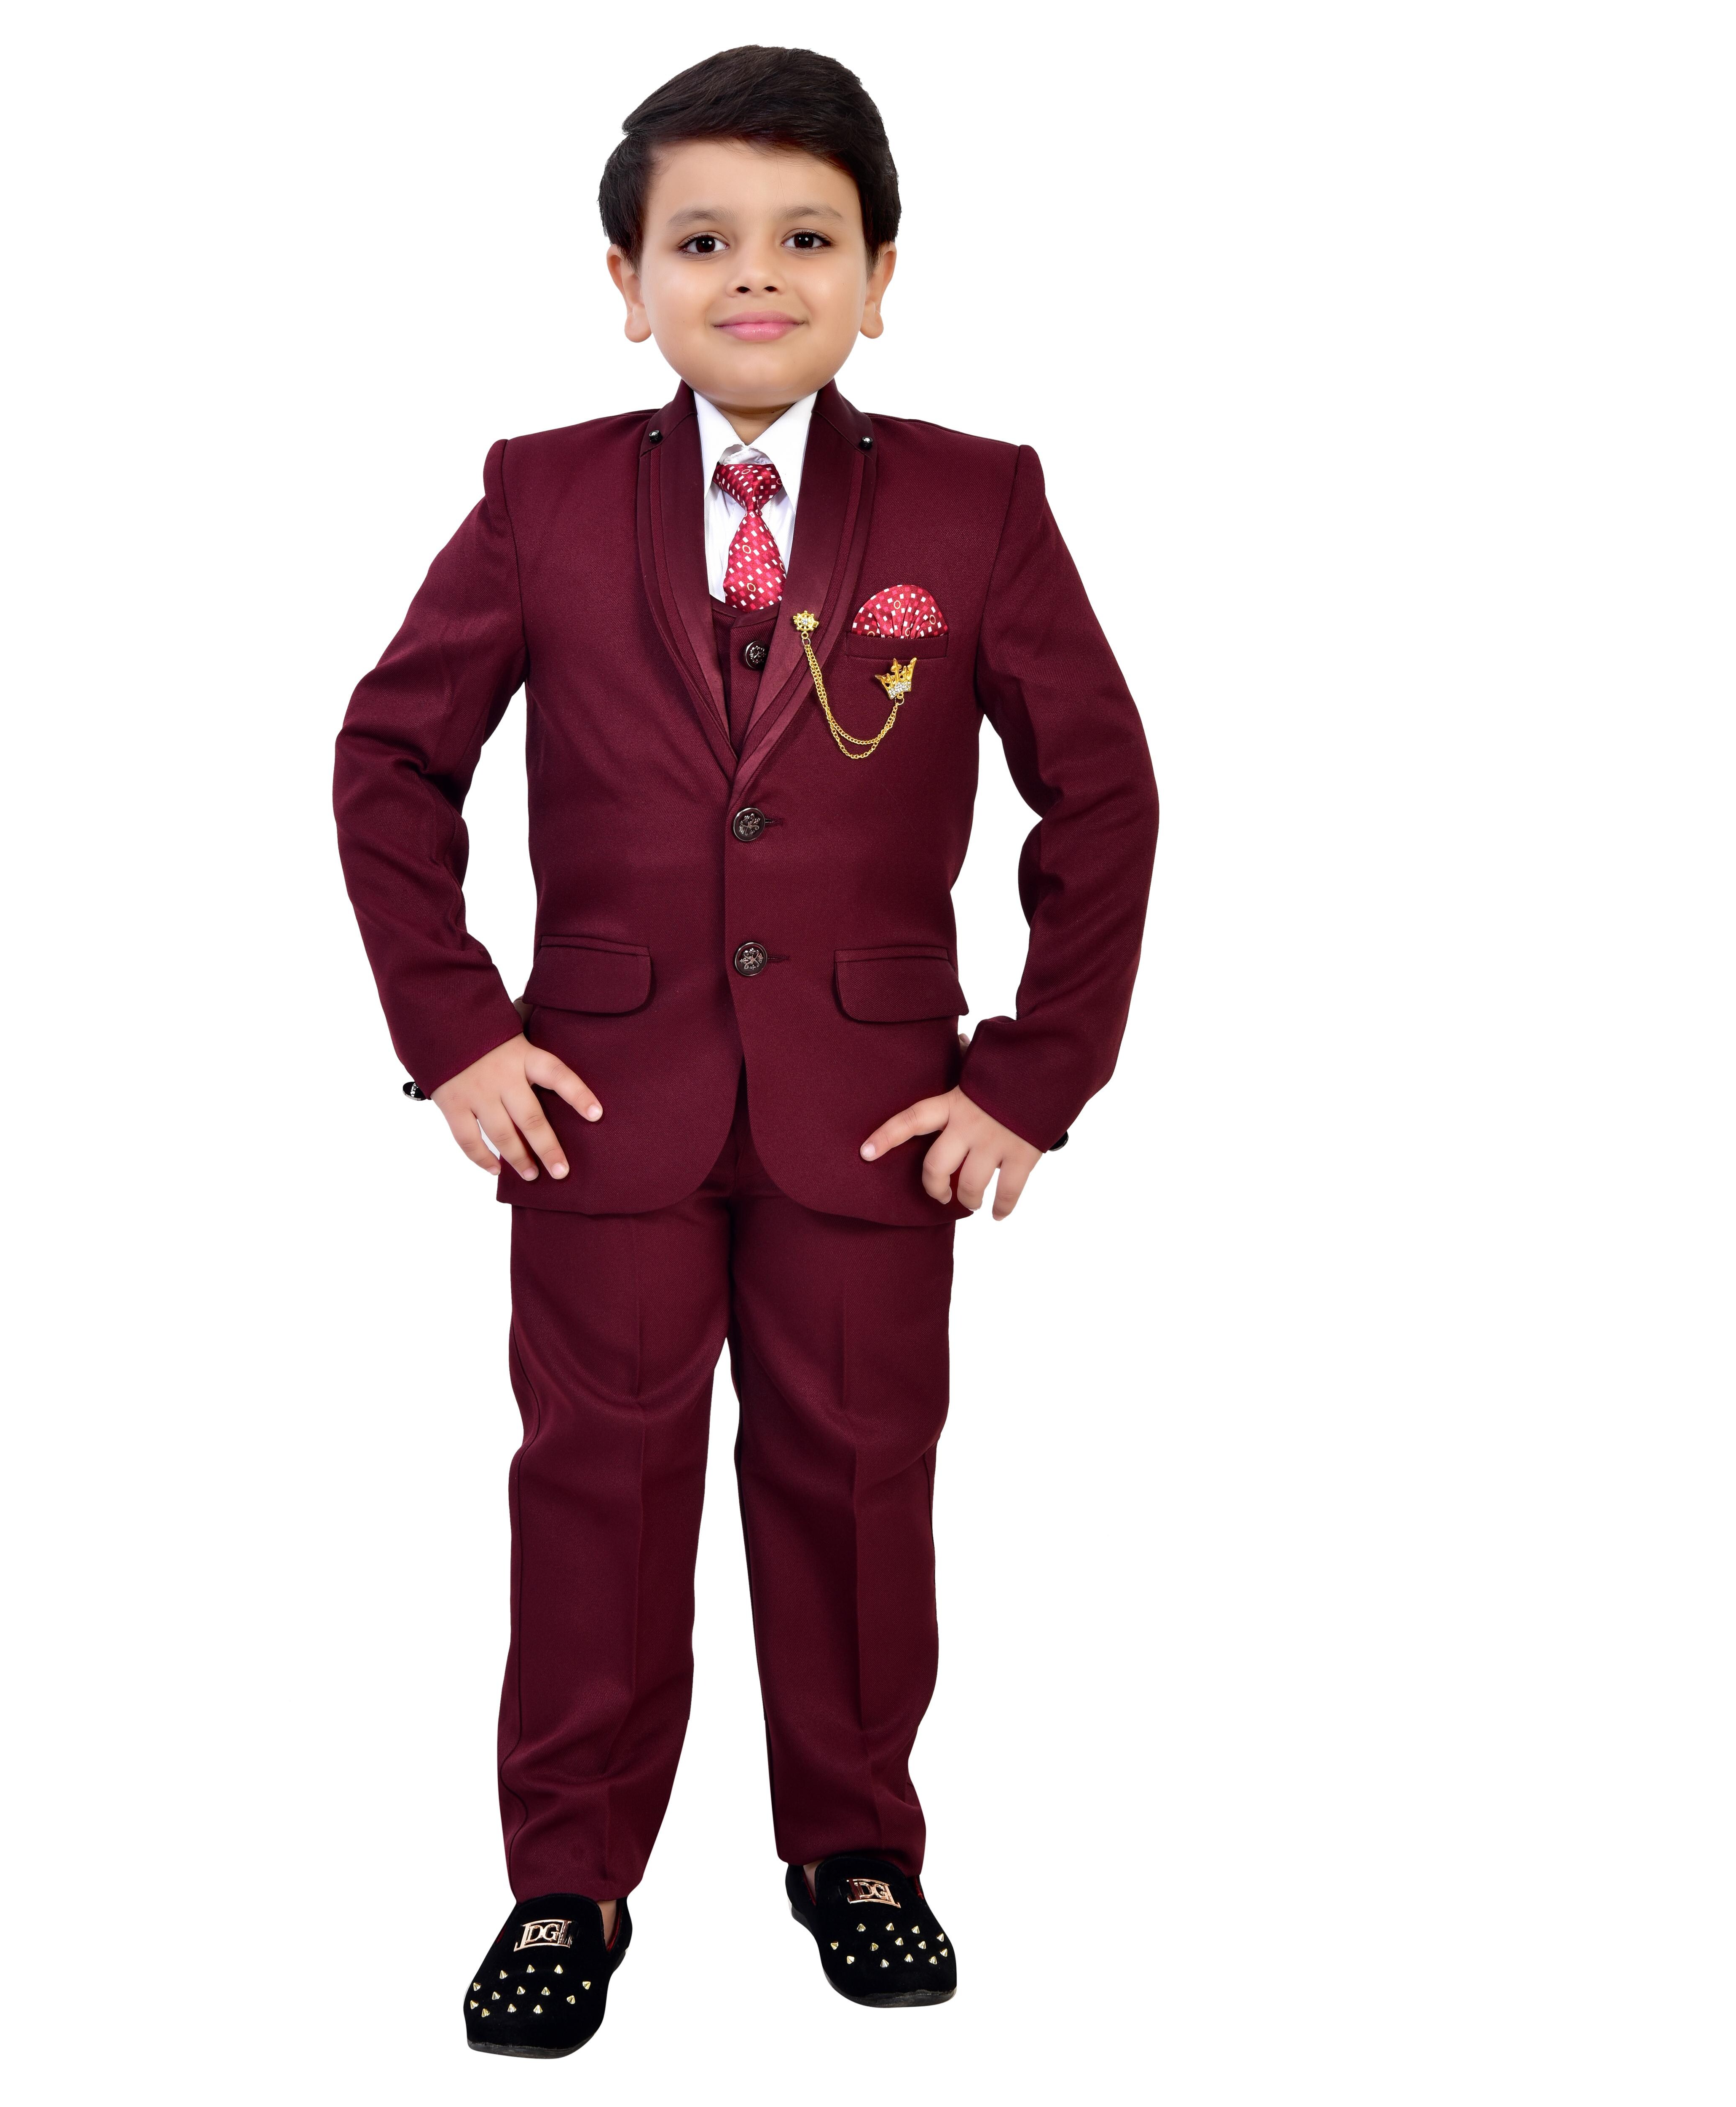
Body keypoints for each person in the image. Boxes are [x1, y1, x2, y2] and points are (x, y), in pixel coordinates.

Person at [333, 44, 1158, 2057]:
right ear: (626, 285)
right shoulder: (538, 494)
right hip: (594, 1102)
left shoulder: (973, 500)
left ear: (881, 278)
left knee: (858, 1476)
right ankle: (567, 1875)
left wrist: (1027, 1077)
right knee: (593, 1487)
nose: (756, 275)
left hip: (875, 1109)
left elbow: (1101, 794)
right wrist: (456, 1032)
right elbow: (390, 759)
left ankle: (855, 1847)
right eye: (701, 242)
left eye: (807, 239)